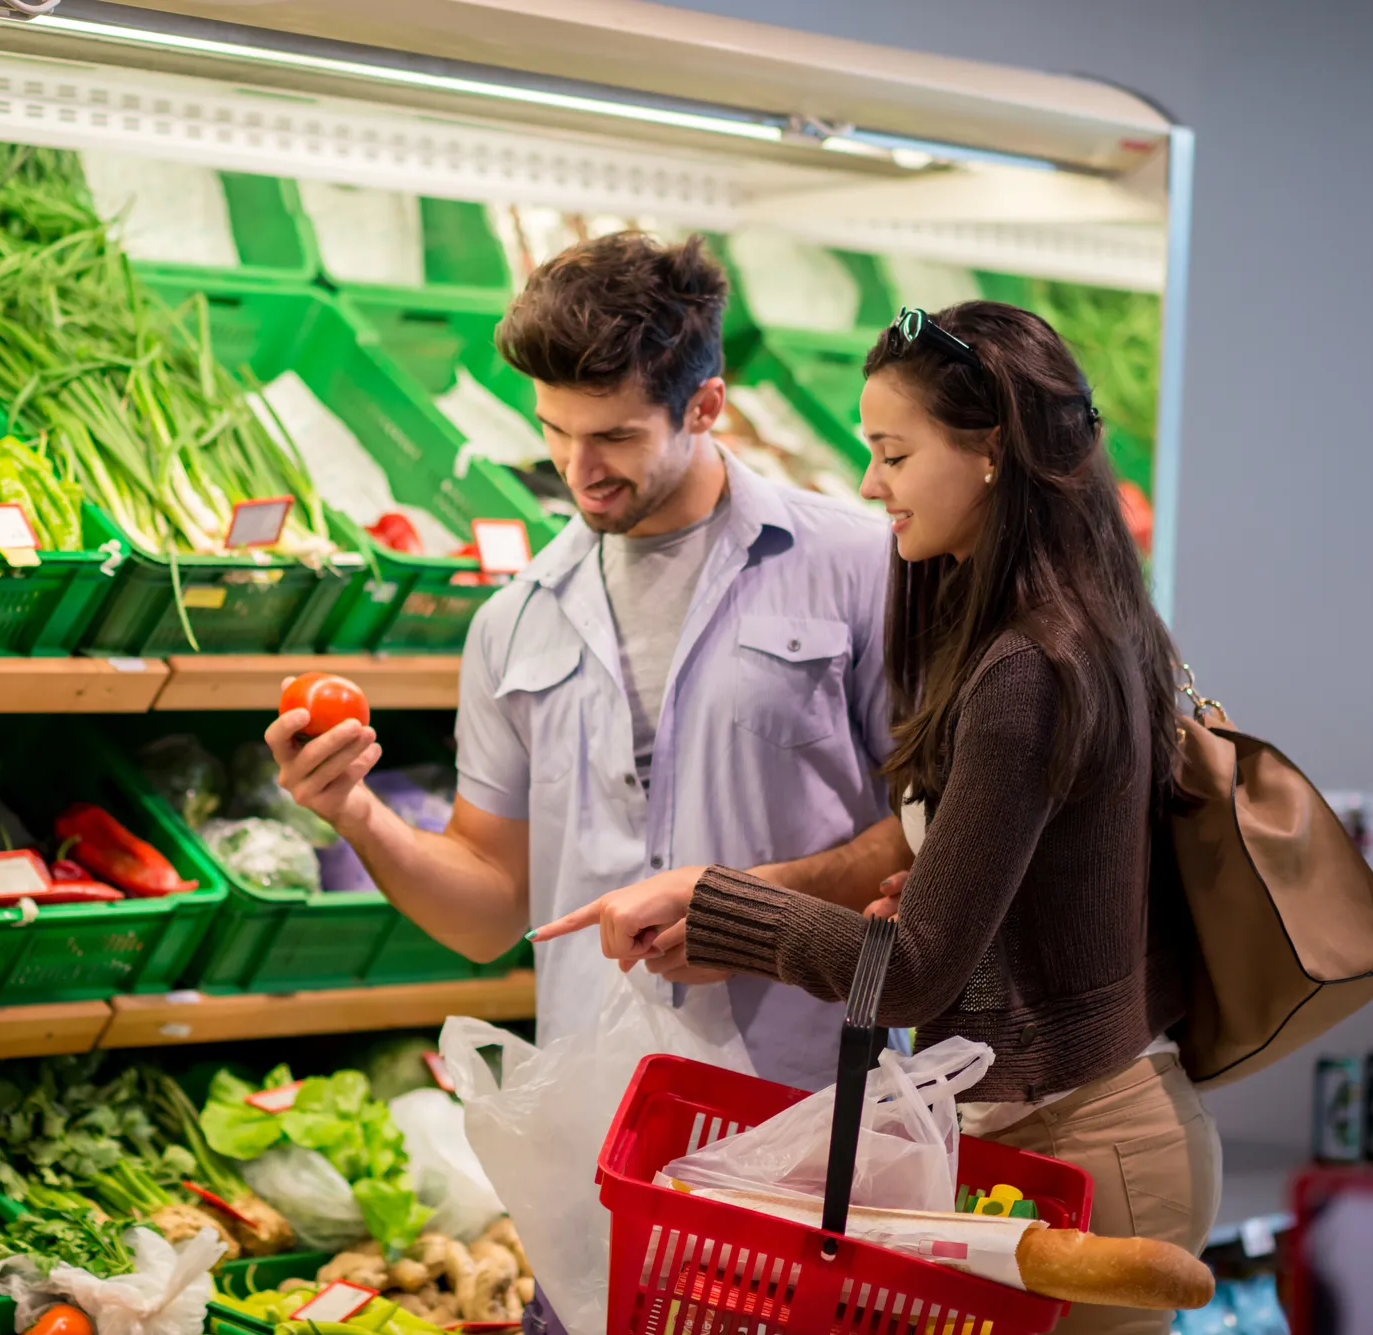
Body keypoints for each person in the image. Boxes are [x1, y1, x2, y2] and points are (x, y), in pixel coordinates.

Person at [538, 302, 1221, 1335]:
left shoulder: (1026, 666)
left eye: (893, 454)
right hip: (1057, 1130)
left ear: (990, 452)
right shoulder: (1078, 618)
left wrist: (718, 906)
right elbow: (1047, 876)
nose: (868, 484)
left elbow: (912, 974)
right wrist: (941, 884)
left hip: (1087, 1150)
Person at [263, 231, 909, 1097]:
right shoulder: (515, 622)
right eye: (554, 431)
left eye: (614, 436)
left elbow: (930, 829)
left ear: (705, 405)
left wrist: (747, 915)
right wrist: (354, 812)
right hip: (598, 1109)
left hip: (812, 1099)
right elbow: (490, 909)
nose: (578, 470)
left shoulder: (859, 566)